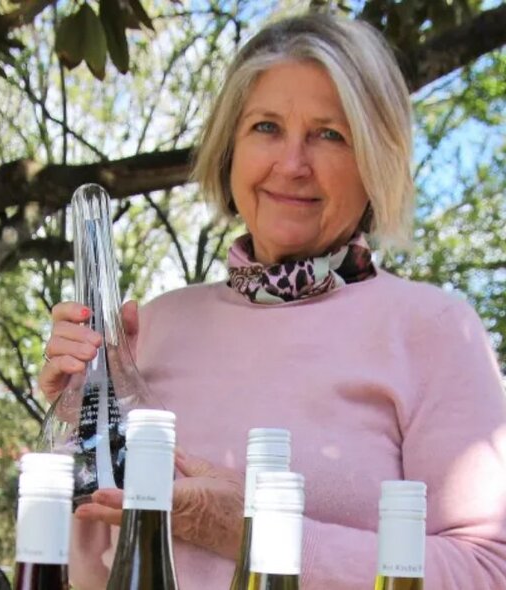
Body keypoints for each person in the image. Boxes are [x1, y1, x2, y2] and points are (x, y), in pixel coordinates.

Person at [38, 13, 506, 590]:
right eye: (266, 128)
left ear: (374, 160)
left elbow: (487, 572)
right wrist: (74, 428)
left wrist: (254, 534)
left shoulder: (433, 332)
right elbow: (90, 564)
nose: (292, 164)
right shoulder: (155, 324)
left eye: (329, 134)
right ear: (229, 148)